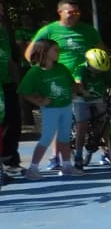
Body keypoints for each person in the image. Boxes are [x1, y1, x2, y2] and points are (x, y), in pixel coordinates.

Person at [28, 0, 104, 162]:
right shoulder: (49, 30)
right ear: (60, 12)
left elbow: (101, 51)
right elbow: (31, 53)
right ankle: (56, 157)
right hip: (58, 80)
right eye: (71, 12)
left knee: (98, 115)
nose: (75, 15)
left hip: (84, 78)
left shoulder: (88, 30)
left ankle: (106, 151)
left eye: (77, 12)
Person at [18, 39, 77, 178]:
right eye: (55, 50)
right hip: (51, 110)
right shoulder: (35, 72)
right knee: (47, 137)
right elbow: (24, 91)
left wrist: (75, 91)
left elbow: (72, 84)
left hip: (66, 107)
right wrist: (40, 101)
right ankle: (33, 168)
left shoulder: (61, 68)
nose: (58, 53)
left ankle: (67, 165)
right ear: (44, 52)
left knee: (64, 137)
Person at [0, 0, 23, 177]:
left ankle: (9, 160)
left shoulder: (2, 30)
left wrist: (18, 84)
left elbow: (8, 58)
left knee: (13, 121)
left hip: (6, 83)